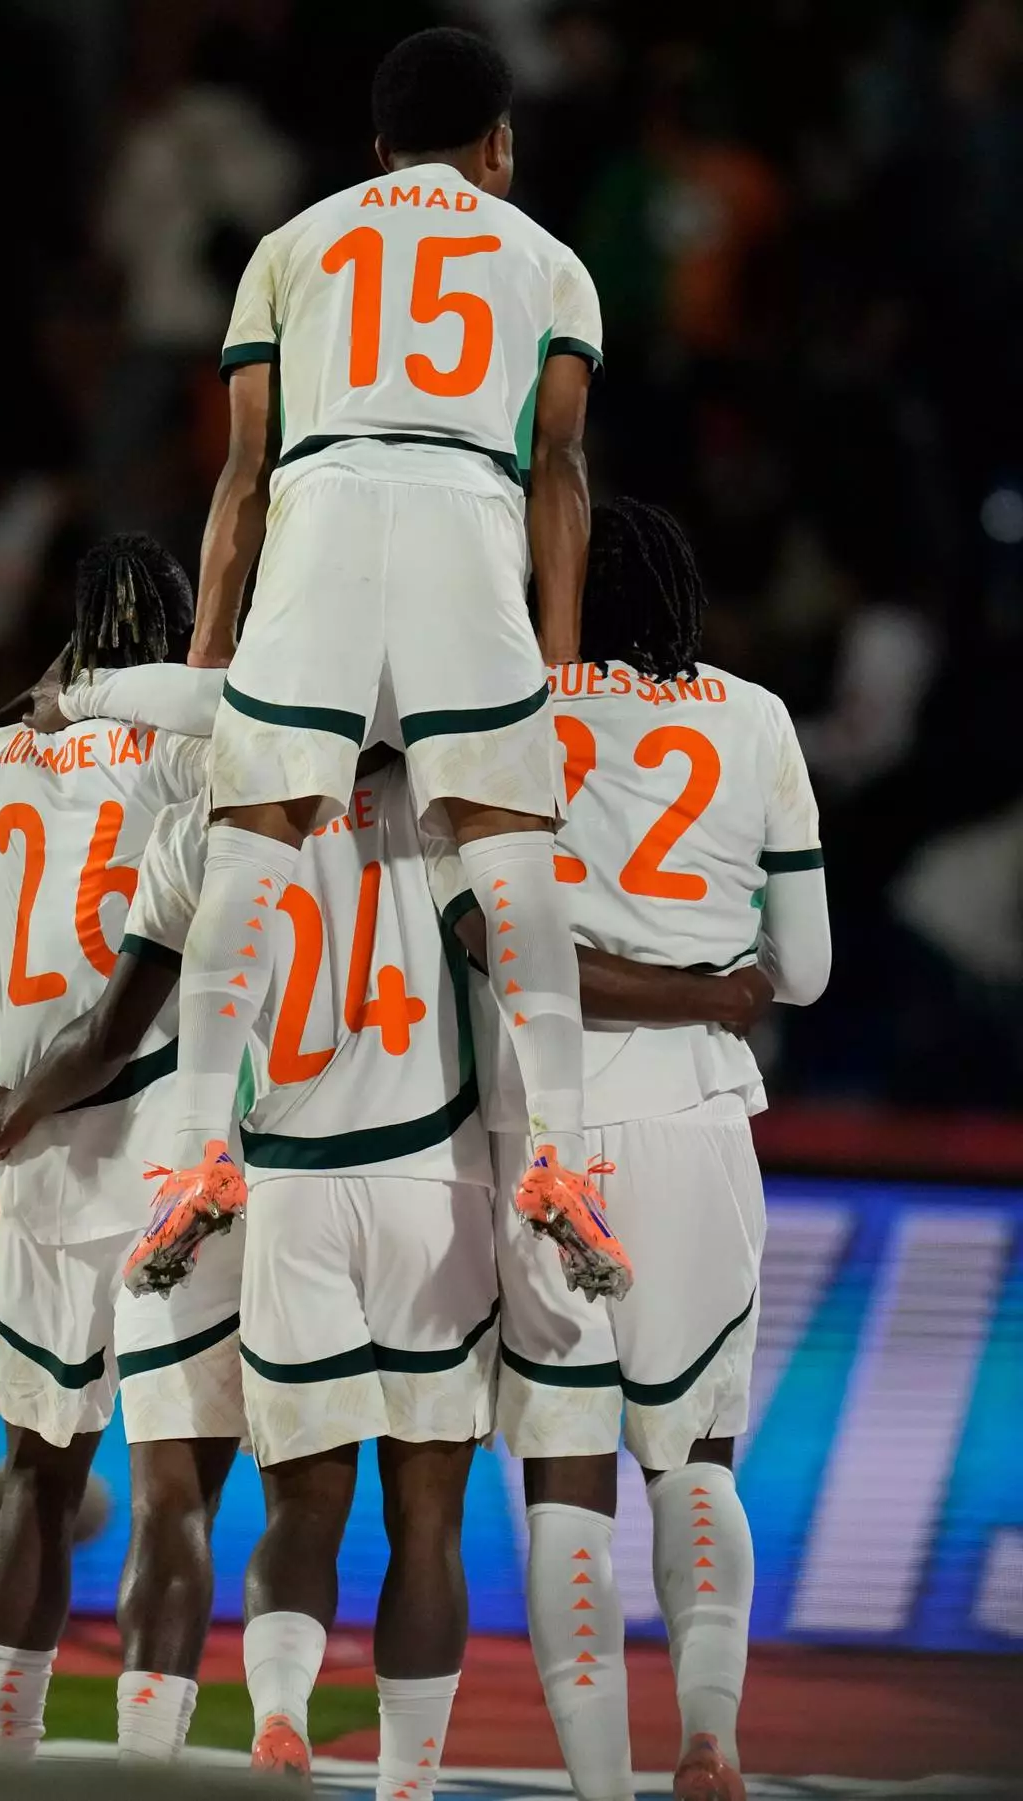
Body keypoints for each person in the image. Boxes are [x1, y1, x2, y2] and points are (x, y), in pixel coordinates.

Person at [135, 25, 628, 1301]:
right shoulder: (551, 262)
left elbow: (243, 473)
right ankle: (564, 1157)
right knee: (511, 842)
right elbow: (560, 469)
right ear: (500, 146)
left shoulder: (289, 246)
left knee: (256, 835)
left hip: (326, 509)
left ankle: (194, 1154)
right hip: (467, 511)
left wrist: (210, 653)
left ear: (374, 148)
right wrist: (560, 659)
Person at [0, 721, 497, 1794]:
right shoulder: (433, 805)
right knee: (417, 1517)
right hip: (425, 1180)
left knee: (227, 1501)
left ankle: (221, 1730)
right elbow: (512, 963)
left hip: (238, 1179)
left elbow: (112, 1026)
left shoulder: (200, 801)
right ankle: (405, 1785)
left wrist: (15, 1105)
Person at [473, 499, 830, 1801]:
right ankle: (714, 1738)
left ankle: (601, 1789)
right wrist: (709, 982)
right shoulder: (755, 718)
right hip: (700, 1120)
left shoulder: (513, 713)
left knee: (566, 1472)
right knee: (694, 1451)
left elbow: (491, 939)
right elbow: (808, 970)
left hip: (551, 1126)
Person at [0, 535, 243, 1762]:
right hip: (170, 1140)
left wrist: (32, 696)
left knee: (38, 1478)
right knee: (174, 1496)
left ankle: (4, 1757)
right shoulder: (193, 744)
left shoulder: (1, 760)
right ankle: (147, 1772)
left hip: (42, 1169)